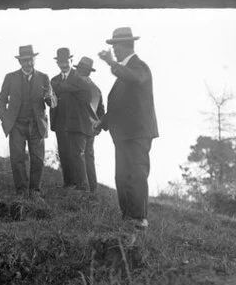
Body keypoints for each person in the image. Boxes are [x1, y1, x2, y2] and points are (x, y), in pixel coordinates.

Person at [97, 27, 158, 230]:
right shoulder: (124, 72)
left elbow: (134, 78)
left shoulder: (140, 67)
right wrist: (102, 122)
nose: (113, 50)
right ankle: (127, 217)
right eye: (113, 46)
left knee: (137, 174)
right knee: (122, 176)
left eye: (115, 46)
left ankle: (139, 217)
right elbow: (118, 106)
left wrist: (111, 64)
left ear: (125, 46)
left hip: (138, 133)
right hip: (123, 135)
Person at [0, 45, 57, 200]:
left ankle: (35, 191)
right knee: (17, 158)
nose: (28, 64)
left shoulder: (44, 77)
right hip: (16, 124)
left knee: (38, 159)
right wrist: (5, 118)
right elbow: (1, 100)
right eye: (24, 61)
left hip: (37, 124)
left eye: (30, 60)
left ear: (34, 59)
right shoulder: (10, 77)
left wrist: (49, 98)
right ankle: (21, 190)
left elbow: (53, 102)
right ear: (20, 62)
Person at [53, 57, 105, 194]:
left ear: (80, 70)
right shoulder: (97, 89)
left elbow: (61, 87)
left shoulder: (77, 84)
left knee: (77, 155)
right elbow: (101, 112)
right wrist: (97, 127)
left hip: (78, 126)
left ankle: (81, 187)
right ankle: (92, 188)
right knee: (88, 157)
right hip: (91, 129)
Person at [50, 47, 76, 188]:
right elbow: (51, 102)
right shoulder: (53, 81)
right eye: (60, 62)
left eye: (66, 61)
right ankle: (68, 183)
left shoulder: (79, 78)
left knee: (76, 153)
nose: (63, 65)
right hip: (60, 122)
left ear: (71, 60)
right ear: (57, 63)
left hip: (76, 122)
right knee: (64, 152)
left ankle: (80, 184)